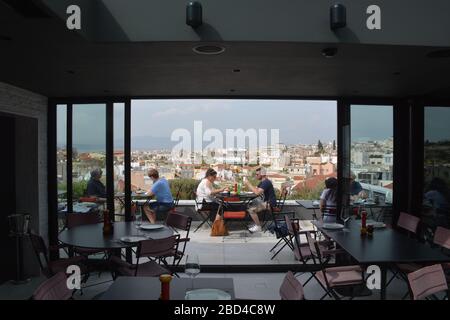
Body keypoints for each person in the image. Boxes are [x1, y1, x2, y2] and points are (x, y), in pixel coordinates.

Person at [244, 167, 277, 233]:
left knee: (251, 210)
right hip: (266, 202)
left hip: (270, 204)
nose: (256, 176)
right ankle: (257, 224)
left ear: (262, 175)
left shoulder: (266, 182)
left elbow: (257, 192)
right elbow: (255, 189)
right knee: (250, 205)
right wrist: (249, 187)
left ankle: (258, 227)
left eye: (257, 174)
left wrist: (248, 183)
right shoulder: (262, 182)